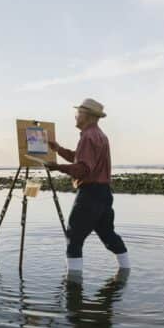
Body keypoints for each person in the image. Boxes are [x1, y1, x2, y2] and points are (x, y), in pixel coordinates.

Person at [45, 98, 130, 274]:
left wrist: (57, 167)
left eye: (79, 113)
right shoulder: (100, 135)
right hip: (104, 193)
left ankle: (73, 286)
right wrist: (59, 149)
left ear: (88, 116)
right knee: (108, 235)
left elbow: (83, 168)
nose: (75, 116)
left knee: (73, 238)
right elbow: (81, 157)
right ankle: (126, 269)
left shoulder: (88, 136)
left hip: (90, 194)